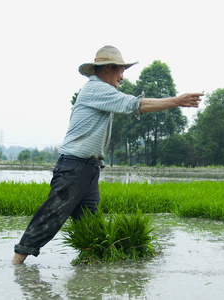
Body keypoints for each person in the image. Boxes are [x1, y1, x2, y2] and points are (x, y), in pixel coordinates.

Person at [12, 45, 203, 264]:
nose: (122, 77)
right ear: (108, 68)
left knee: (90, 229)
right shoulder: (96, 89)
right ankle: (17, 263)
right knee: (50, 217)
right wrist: (177, 101)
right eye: (121, 71)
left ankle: (89, 273)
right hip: (74, 167)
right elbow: (134, 105)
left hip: (89, 169)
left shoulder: (102, 92)